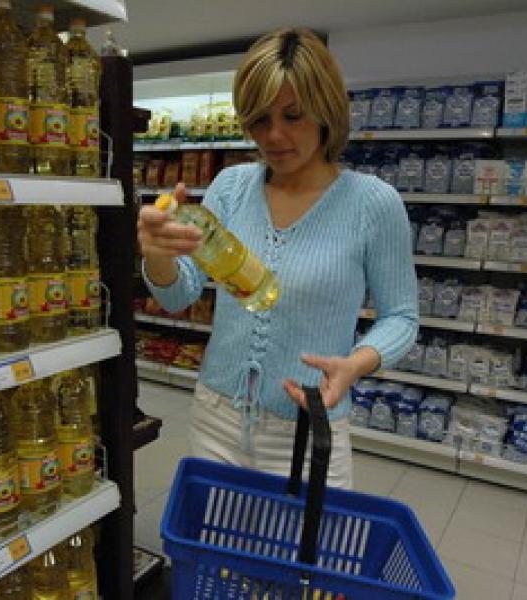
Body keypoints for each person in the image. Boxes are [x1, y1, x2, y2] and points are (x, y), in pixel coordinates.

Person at [137, 28, 418, 488]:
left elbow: (402, 318)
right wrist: (158, 256)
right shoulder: (231, 187)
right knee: (219, 556)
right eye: (259, 120)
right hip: (216, 417)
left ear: (326, 110)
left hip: (308, 426)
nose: (274, 135)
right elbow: (178, 294)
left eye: (293, 115)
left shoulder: (373, 204)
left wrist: (355, 364)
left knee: (298, 557)